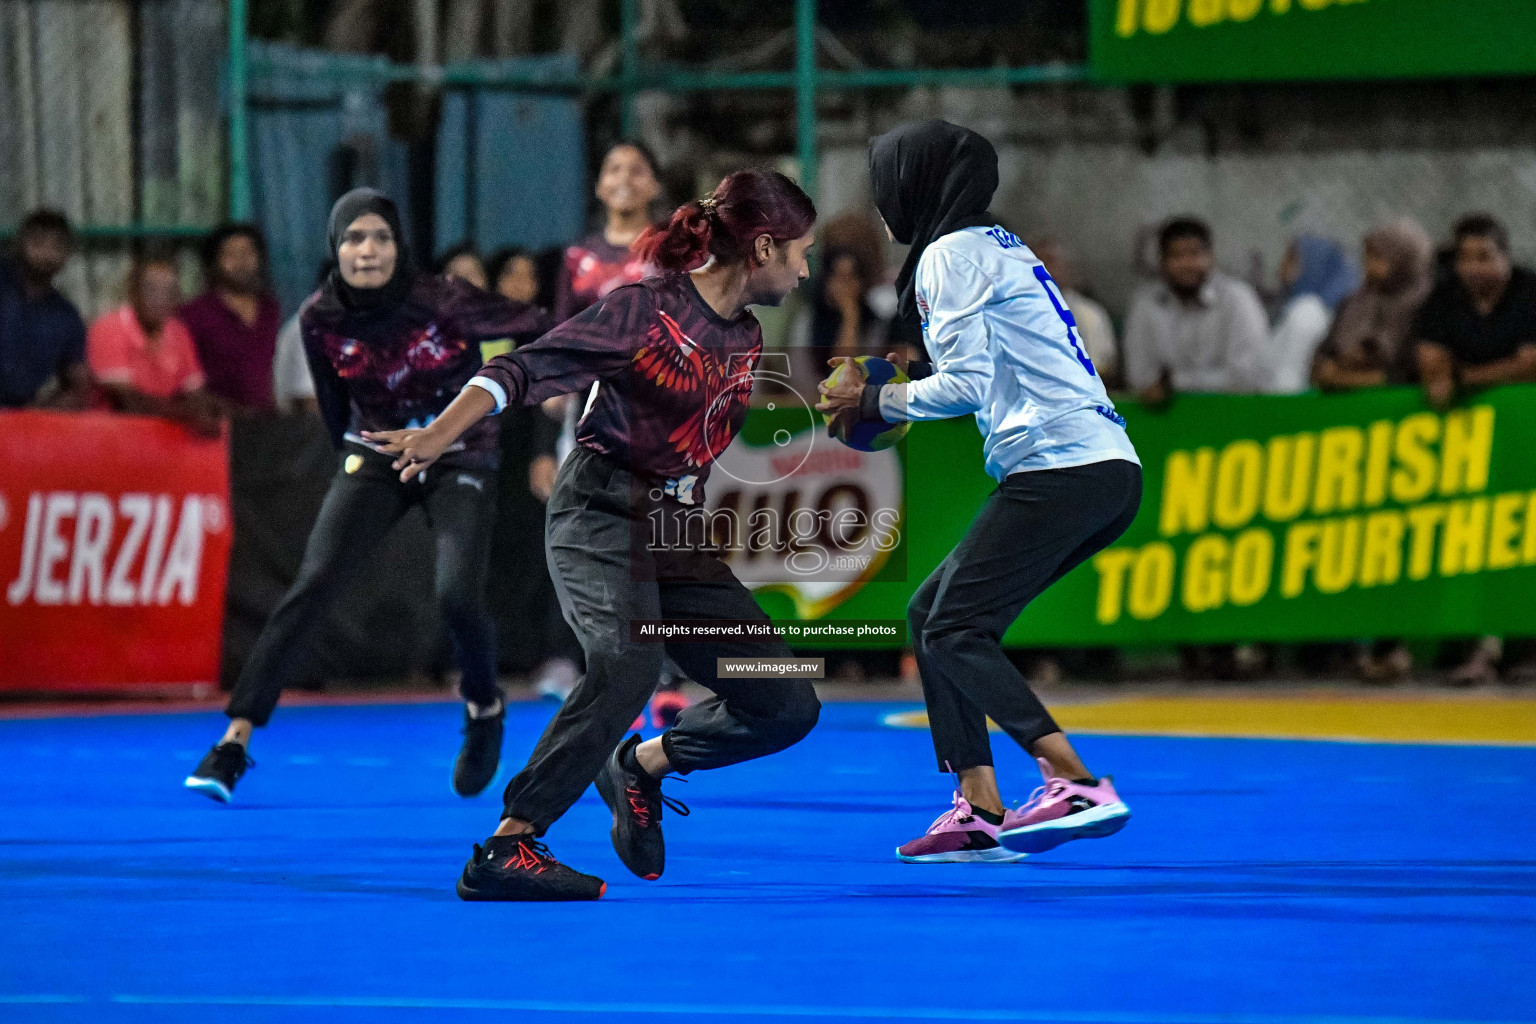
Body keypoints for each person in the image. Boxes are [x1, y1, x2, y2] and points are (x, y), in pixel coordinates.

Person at [366, 168, 820, 901]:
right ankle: (510, 845)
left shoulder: (745, 336)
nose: (805, 268)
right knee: (627, 663)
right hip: (598, 511)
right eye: (800, 251)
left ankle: (639, 766)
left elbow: (693, 439)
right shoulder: (644, 311)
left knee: (786, 699)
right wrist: (437, 435)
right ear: (763, 247)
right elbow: (521, 370)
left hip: (674, 529)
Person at [818, 120, 1140, 865]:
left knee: (954, 625)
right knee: (933, 613)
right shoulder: (997, 244)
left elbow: (963, 387)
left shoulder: (949, 254)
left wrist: (876, 403)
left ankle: (1073, 779)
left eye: (888, 181)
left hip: (1061, 464)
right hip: (1098, 465)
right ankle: (980, 806)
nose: (882, 199)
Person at [183, 189, 549, 804]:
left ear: (398, 246)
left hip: (458, 451)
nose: (367, 249)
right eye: (353, 238)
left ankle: (485, 707)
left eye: (380, 236)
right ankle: (234, 743)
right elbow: (333, 412)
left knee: (456, 592)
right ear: (336, 248)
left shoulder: (446, 299)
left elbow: (541, 327)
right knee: (313, 583)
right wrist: (364, 458)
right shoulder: (319, 317)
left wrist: (559, 382)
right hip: (377, 454)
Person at [535, 140, 673, 714]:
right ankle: (576, 654)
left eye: (637, 169)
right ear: (598, 185)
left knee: (656, 536)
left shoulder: (672, 250)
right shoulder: (577, 258)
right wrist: (546, 434)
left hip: (659, 413)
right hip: (588, 417)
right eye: (612, 167)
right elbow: (561, 334)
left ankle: (663, 662)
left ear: (654, 186)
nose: (624, 178)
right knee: (580, 535)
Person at [1412, 213, 1536, 686]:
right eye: (1465, 258)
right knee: (1478, 545)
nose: (1474, 268)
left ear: (1506, 257)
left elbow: (1531, 366)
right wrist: (1487, 374)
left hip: (1526, 441)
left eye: (1485, 257)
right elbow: (1433, 372)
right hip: (1470, 449)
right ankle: (1483, 649)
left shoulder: (1529, 292)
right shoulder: (1444, 299)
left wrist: (1470, 377)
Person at [1123, 216, 1271, 403]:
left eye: (1194, 254)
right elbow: (1140, 378)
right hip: (1165, 418)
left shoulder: (1238, 298)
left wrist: (1175, 383)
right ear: (1162, 262)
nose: (1186, 264)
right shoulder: (1146, 304)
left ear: (1211, 258)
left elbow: (1248, 377)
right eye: (1176, 256)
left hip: (1232, 413)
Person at [88, 254, 222, 436]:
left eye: (170, 292)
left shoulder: (178, 332)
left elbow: (195, 393)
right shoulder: (109, 328)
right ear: (133, 292)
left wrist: (210, 410)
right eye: (151, 290)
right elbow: (127, 402)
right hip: (109, 439)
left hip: (161, 438)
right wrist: (188, 413)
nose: (161, 299)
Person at [1313, 218, 1434, 393]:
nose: (1369, 265)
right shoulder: (1353, 303)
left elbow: (1409, 373)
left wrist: (1345, 379)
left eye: (1378, 257)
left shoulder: (1427, 305)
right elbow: (1323, 357)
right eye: (1367, 256)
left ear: (1404, 259)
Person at [179, 223, 284, 416]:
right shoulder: (194, 314)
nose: (241, 262)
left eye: (248, 253)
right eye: (231, 255)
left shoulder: (270, 309)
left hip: (265, 423)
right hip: (214, 423)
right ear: (213, 262)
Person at [0, 209, 90, 410]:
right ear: (19, 243)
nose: (47, 254)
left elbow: (78, 386)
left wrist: (37, 415)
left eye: (57, 246)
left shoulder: (66, 317)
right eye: (38, 243)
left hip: (17, 420)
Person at [1267, 235, 1357, 395]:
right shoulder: (1297, 307)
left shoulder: (1307, 312)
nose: (1281, 266)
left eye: (1292, 260)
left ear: (1313, 266)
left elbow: (1289, 377)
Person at [1030, 235, 1119, 387]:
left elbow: (1101, 369)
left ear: (1067, 267)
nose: (1042, 267)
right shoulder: (1014, 314)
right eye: (1035, 261)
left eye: (1049, 260)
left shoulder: (1091, 314)